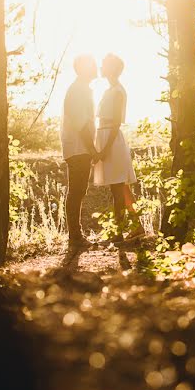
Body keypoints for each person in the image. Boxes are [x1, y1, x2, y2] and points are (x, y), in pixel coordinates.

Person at [93, 53, 144, 243]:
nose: (101, 66)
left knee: (118, 188)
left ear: (112, 68)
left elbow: (115, 123)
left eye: (104, 64)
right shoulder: (110, 89)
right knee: (121, 187)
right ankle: (137, 226)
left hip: (112, 139)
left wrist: (105, 148)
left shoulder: (117, 91)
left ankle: (118, 232)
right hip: (105, 135)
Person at [61, 54, 99, 250]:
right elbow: (80, 123)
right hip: (77, 147)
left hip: (79, 147)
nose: (96, 67)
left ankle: (75, 236)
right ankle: (75, 237)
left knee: (78, 190)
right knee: (76, 191)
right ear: (83, 68)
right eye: (93, 64)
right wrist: (91, 148)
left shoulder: (83, 89)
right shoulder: (78, 90)